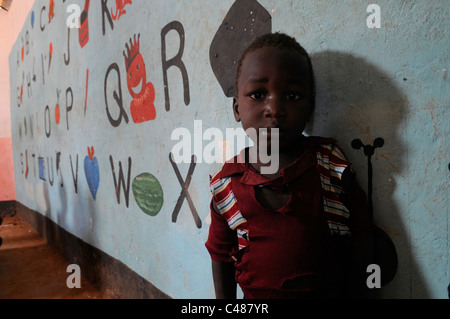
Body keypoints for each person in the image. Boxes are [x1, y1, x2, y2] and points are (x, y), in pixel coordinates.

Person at [205, 32, 373, 299]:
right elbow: (221, 254)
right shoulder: (226, 185)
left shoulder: (330, 164)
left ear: (310, 107)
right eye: (258, 94)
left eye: (293, 96)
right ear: (237, 109)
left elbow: (363, 240)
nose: (275, 109)